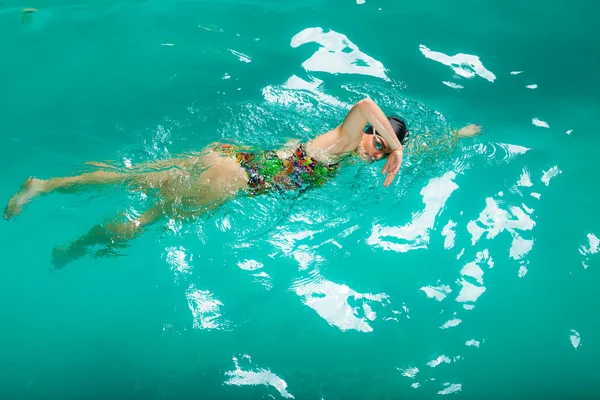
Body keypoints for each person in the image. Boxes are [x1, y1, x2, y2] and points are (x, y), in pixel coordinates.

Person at [4, 98, 480, 267]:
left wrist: (453, 136)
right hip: (236, 179)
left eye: (380, 148)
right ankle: (75, 250)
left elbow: (415, 144)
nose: (372, 150)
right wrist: (394, 149)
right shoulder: (343, 139)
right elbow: (362, 104)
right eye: (376, 140)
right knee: (147, 219)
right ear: (370, 132)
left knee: (135, 177)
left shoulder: (357, 151)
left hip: (231, 155)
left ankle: (44, 185)